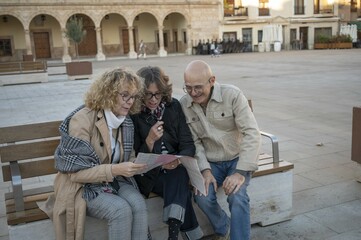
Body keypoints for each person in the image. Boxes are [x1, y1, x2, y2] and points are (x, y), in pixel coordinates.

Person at [41, 67, 150, 240]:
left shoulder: (125, 121)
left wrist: (143, 163)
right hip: (81, 187)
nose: (130, 102)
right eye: (124, 95)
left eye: (133, 97)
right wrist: (115, 170)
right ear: (108, 93)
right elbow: (76, 174)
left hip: (113, 181)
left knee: (138, 203)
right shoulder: (82, 119)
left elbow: (127, 159)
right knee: (120, 210)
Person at [179, 60, 261, 240]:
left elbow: (252, 133)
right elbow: (195, 142)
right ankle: (224, 226)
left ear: (212, 80)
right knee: (201, 195)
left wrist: (240, 172)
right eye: (188, 88)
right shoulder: (184, 104)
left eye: (198, 87)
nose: (193, 93)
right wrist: (205, 170)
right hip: (211, 162)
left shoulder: (232, 95)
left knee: (237, 196)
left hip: (237, 159)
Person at [131, 66, 204, 240]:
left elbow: (187, 143)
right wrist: (149, 140)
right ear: (140, 93)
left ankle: (174, 234)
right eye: (148, 94)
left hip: (175, 168)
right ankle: (184, 235)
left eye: (158, 94)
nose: (153, 99)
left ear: (164, 92)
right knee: (180, 184)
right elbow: (134, 157)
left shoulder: (173, 107)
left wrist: (178, 160)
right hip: (150, 174)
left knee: (178, 174)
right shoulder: (134, 114)